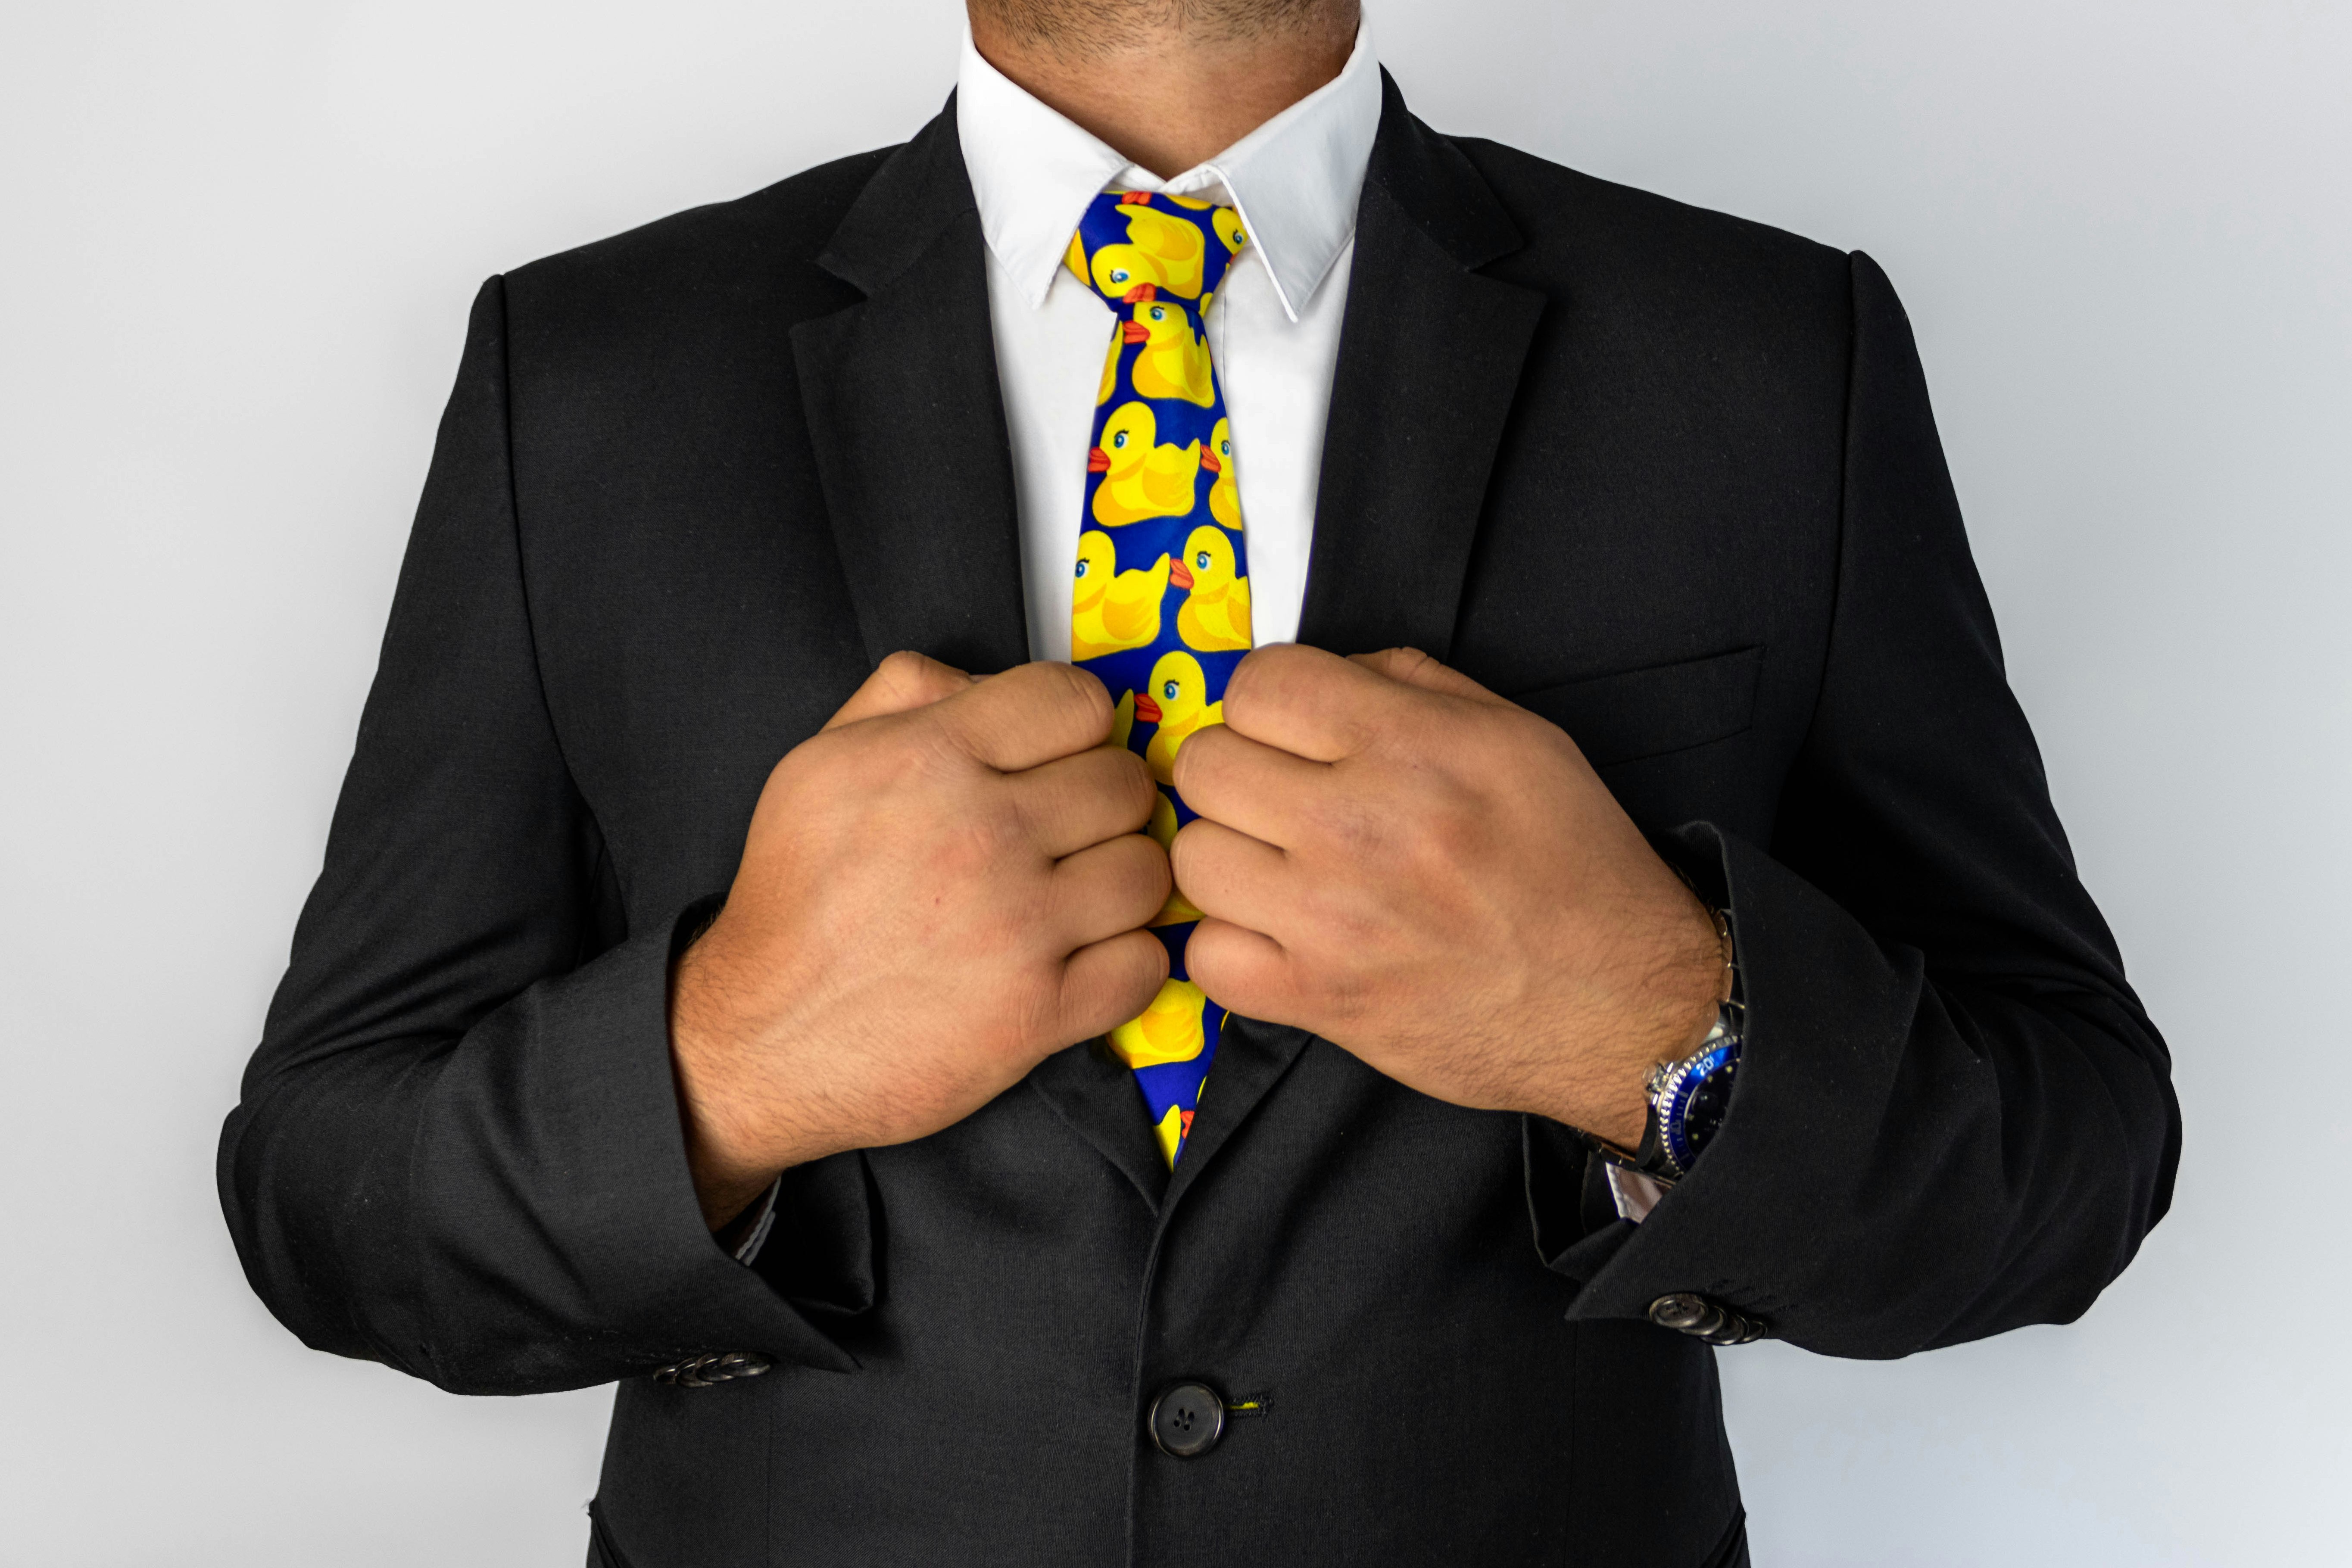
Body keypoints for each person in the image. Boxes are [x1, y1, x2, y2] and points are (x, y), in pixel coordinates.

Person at [218, 1, 2180, 1562]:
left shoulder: (1769, 356)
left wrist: (1659, 1028)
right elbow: (324, 1193)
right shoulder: (588, 374)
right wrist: (729, 1065)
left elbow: (2073, 1149)